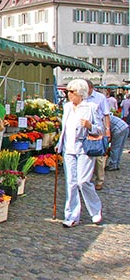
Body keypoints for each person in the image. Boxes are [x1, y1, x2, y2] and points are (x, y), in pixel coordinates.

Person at [55, 79, 103, 228]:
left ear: (80, 93)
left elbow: (99, 129)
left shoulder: (91, 107)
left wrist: (90, 126)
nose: (69, 95)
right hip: (69, 149)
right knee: (71, 183)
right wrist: (59, 144)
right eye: (68, 92)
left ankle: (95, 211)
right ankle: (71, 216)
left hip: (84, 149)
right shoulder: (67, 107)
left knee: (83, 181)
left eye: (72, 92)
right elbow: (65, 129)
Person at [85, 80, 111, 191]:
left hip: (98, 130)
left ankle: (99, 180)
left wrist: (107, 130)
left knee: (99, 156)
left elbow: (106, 115)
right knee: (87, 154)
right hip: (85, 130)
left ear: (91, 88)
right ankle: (87, 179)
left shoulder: (100, 98)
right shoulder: (82, 97)